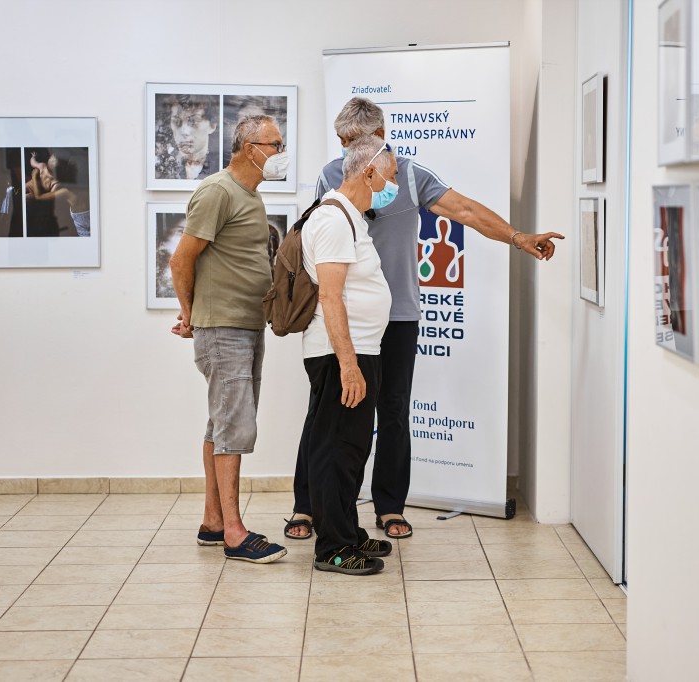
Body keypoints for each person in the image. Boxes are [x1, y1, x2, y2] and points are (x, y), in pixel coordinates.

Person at [284, 97, 564, 541]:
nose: (349, 150)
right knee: (325, 409)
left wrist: (517, 237)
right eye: (344, 142)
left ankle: (389, 505)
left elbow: (465, 211)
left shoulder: (409, 175)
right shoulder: (329, 176)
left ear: (380, 137)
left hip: (397, 317)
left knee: (394, 409)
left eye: (357, 141)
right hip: (344, 315)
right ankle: (307, 505)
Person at [169, 113, 290, 564]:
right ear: (250, 148)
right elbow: (181, 260)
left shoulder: (249, 195)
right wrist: (191, 314)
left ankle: (213, 521)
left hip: (244, 324)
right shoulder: (217, 191)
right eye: (275, 145)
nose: (281, 153)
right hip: (224, 328)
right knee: (234, 426)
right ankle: (235, 534)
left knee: (220, 423)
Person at [295, 134, 394, 575]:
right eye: (391, 176)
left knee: (351, 448)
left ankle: (348, 533)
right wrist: (349, 365)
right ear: (369, 172)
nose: (393, 185)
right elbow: (330, 297)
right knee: (336, 449)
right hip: (340, 354)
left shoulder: (350, 216)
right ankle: (333, 547)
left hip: (358, 349)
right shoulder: (334, 219)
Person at [156, 94, 220, 180]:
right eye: (176, 121)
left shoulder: (221, 168)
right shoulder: (163, 166)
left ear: (212, 125)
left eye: (194, 121)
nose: (184, 132)